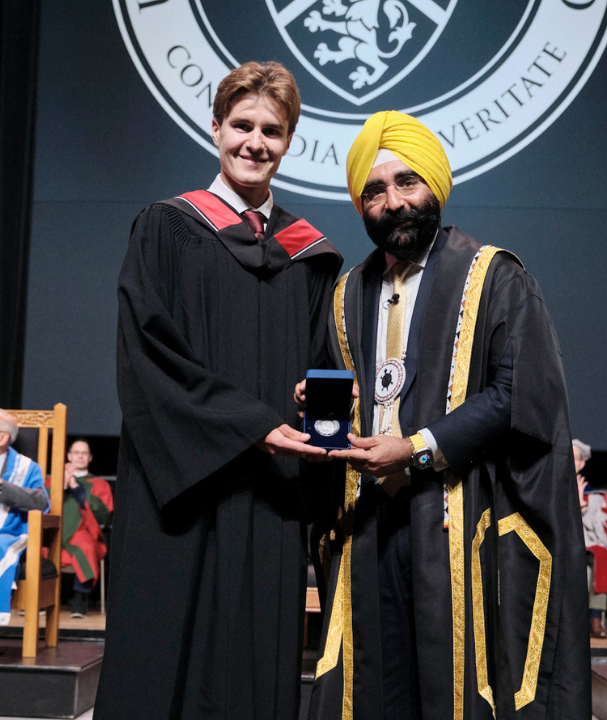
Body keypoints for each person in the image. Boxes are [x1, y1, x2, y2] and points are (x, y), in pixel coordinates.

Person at [303, 110, 589, 720]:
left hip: (462, 519)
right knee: (378, 688)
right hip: (369, 522)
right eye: (375, 191)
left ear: (435, 184)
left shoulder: (495, 276)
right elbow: (349, 390)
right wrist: (318, 400)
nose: (394, 202)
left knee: (456, 686)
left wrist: (418, 447)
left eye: (408, 183)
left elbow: (521, 395)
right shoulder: (345, 291)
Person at [96, 62, 340, 720]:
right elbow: (147, 353)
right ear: (215, 128)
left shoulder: (308, 256)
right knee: (164, 661)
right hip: (180, 492)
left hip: (270, 497)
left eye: (273, 130)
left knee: (255, 664)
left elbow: (327, 369)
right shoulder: (167, 228)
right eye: (242, 126)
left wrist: (316, 410)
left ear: (290, 141)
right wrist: (253, 424)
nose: (255, 142)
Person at [0, 411, 50, 625]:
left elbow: (41, 502)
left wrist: (3, 487)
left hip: (9, 534)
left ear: (3, 437)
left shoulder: (27, 468)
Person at [60, 439, 113, 618]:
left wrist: (76, 489)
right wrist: (63, 485)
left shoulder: (99, 484)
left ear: (90, 458)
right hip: (57, 535)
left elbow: (104, 516)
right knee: (38, 547)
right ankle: (39, 600)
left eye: (84, 453)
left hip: (85, 533)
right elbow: (44, 506)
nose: (80, 456)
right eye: (76, 452)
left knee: (86, 547)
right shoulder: (53, 480)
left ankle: (79, 599)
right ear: (68, 456)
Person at [576, 439, 607, 639]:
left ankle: (595, 619)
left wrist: (582, 506)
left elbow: (605, 535)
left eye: (574, 459)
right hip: (557, 547)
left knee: (603, 556)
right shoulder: (547, 490)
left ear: (582, 464)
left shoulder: (597, 496)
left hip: (587, 546)